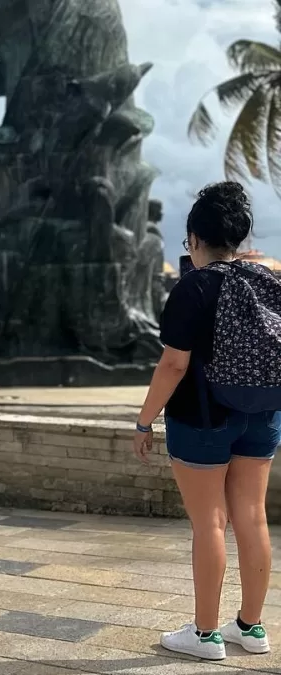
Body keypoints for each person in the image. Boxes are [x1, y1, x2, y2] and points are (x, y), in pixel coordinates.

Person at [132, 182, 274, 660]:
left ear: (194, 239)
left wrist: (144, 422)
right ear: (238, 238)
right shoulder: (264, 278)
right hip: (262, 413)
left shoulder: (192, 286)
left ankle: (206, 634)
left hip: (201, 419)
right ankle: (251, 628)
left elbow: (173, 365)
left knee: (210, 523)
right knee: (252, 516)